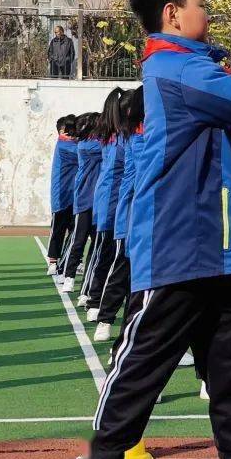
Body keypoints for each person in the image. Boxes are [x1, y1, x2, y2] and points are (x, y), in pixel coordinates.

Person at [77, 0, 231, 459]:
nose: (209, 11)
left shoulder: (198, 69)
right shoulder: (174, 69)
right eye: (200, 2)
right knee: (142, 365)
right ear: (172, 13)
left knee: (229, 366)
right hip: (178, 241)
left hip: (218, 242)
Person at [93, 89, 148, 343]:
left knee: (144, 282)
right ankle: (105, 318)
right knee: (122, 272)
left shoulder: (143, 134)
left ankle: (130, 336)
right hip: (132, 215)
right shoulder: (133, 137)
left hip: (147, 216)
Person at [79, 90, 128, 318]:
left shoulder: (116, 135)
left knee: (108, 254)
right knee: (104, 253)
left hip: (116, 201)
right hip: (111, 202)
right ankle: (93, 298)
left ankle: (96, 297)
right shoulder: (117, 137)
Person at [60, 112, 101, 293]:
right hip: (85, 200)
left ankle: (88, 284)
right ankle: (68, 276)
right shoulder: (88, 146)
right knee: (79, 241)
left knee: (95, 245)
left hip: (99, 202)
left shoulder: (96, 143)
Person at [48, 115, 78, 276]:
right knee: (58, 229)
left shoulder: (72, 144)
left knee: (76, 230)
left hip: (76, 195)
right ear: (61, 131)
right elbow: (81, 153)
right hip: (62, 194)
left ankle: (73, 260)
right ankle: (53, 260)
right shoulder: (64, 145)